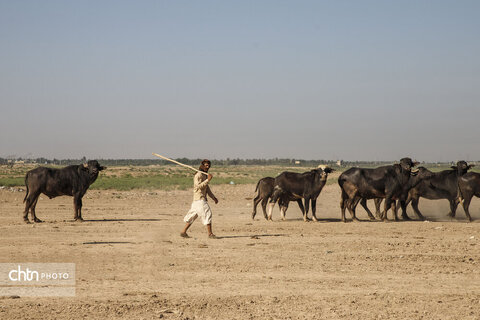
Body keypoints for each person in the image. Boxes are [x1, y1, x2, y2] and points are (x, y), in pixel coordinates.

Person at [180, 159, 219, 239]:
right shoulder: (198, 175)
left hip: (198, 201)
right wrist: (208, 180)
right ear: (202, 166)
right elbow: (197, 187)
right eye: (206, 165)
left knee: (193, 216)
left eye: (209, 166)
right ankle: (210, 234)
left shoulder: (205, 175)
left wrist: (213, 198)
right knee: (207, 213)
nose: (208, 167)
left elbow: (207, 189)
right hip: (199, 199)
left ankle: (183, 232)